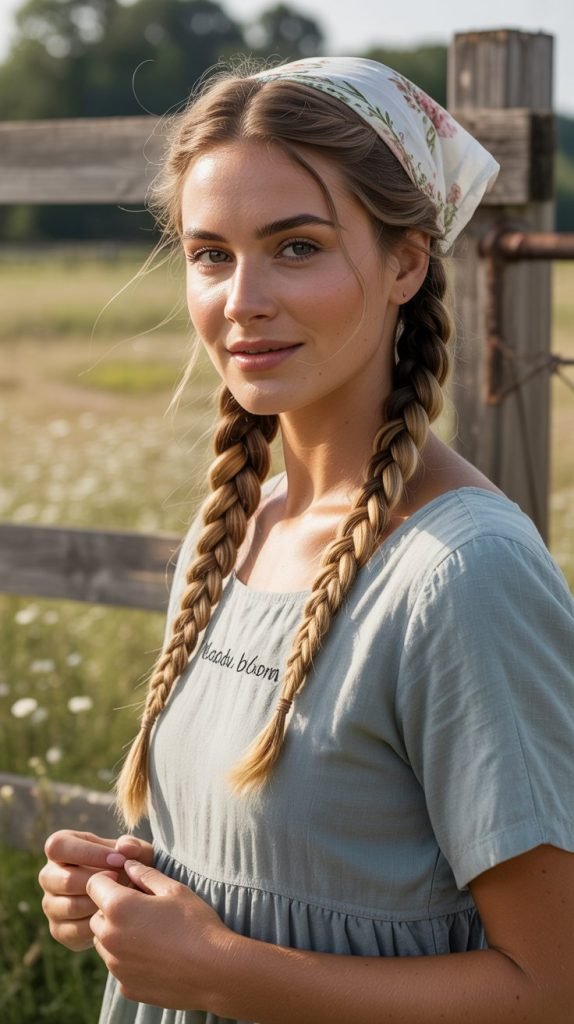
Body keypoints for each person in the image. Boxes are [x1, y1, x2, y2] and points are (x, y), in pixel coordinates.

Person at [39, 57, 574, 1024]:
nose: (242, 298)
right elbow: (282, 874)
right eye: (211, 254)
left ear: (407, 261)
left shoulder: (463, 574)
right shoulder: (237, 529)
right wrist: (125, 896)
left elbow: (552, 988)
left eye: (296, 247)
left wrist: (220, 971)